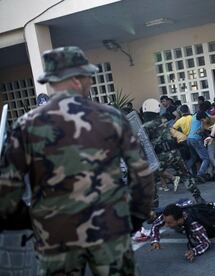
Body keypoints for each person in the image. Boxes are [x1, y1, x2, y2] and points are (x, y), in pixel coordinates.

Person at [0, 46, 155, 275]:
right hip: (109, 230)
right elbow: (141, 173)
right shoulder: (112, 117)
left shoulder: (27, 125)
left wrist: (32, 220)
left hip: (55, 236)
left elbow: (6, 189)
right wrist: (133, 217)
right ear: (76, 79)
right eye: (88, 76)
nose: (91, 81)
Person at [141, 99, 205, 203]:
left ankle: (154, 205)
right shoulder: (163, 121)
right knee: (185, 175)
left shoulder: (145, 127)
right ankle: (198, 197)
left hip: (160, 157)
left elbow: (143, 144)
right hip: (174, 153)